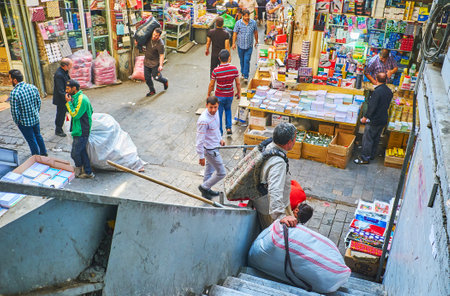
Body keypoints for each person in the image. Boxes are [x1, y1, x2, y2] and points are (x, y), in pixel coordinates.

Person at [251, 122, 298, 229]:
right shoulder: (278, 163)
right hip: (271, 210)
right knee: (278, 239)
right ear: (289, 142)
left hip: (264, 204)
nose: (295, 141)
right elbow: (274, 189)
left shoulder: (269, 146)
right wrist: (280, 216)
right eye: (295, 138)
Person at [354, 73, 393, 164]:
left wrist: (365, 117)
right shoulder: (389, 91)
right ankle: (371, 155)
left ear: (376, 79)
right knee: (376, 138)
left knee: (368, 138)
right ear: (386, 80)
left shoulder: (377, 92)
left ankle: (364, 158)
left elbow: (372, 107)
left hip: (374, 119)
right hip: (383, 118)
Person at [8, 69, 47, 156]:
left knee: (31, 140)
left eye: (10, 79)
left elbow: (15, 112)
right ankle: (44, 153)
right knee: (38, 135)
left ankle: (36, 156)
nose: (9, 81)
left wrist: (17, 122)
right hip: (35, 118)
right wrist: (36, 112)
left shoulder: (14, 93)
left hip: (24, 122)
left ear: (15, 80)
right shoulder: (33, 87)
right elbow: (39, 103)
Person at [196, 96, 226, 200]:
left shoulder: (216, 113)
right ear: (206, 106)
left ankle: (206, 193)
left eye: (215, 107)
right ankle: (204, 187)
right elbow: (199, 140)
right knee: (222, 172)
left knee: (209, 171)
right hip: (209, 150)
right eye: (211, 107)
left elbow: (216, 128)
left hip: (215, 146)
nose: (213, 110)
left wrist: (220, 139)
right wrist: (201, 156)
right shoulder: (203, 120)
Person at [65, 79, 94, 178]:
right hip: (78, 130)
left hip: (82, 131)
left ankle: (80, 167)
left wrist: (68, 103)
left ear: (74, 88)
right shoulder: (75, 97)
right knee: (81, 151)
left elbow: (75, 115)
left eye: (68, 88)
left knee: (75, 153)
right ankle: (87, 171)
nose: (66, 90)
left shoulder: (82, 99)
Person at [207, 49, 241, 135]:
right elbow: (238, 82)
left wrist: (208, 94)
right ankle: (229, 128)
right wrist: (239, 92)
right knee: (228, 110)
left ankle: (220, 132)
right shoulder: (234, 69)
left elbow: (211, 84)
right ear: (229, 58)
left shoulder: (216, 70)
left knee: (219, 113)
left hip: (219, 96)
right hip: (229, 95)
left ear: (219, 58)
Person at [232, 10, 258, 83]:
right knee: (242, 60)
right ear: (242, 16)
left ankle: (246, 76)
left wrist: (256, 41)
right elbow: (235, 33)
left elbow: (255, 32)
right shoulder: (238, 23)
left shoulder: (253, 23)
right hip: (240, 45)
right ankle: (243, 73)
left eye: (248, 16)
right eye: (245, 16)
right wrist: (233, 43)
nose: (247, 17)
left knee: (247, 60)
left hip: (249, 45)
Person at [144, 28, 168, 96]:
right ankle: (152, 90)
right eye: (153, 34)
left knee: (157, 78)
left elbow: (161, 55)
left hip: (155, 63)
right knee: (147, 78)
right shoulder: (148, 38)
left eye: (156, 35)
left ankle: (165, 81)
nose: (154, 36)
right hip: (146, 62)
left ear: (159, 36)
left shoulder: (160, 44)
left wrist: (160, 65)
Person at [53, 58, 72, 137]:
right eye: (70, 65)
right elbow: (60, 90)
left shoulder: (65, 71)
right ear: (65, 66)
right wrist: (67, 98)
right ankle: (58, 130)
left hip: (66, 96)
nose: (71, 67)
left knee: (70, 112)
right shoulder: (59, 75)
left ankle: (71, 127)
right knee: (61, 114)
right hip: (61, 99)